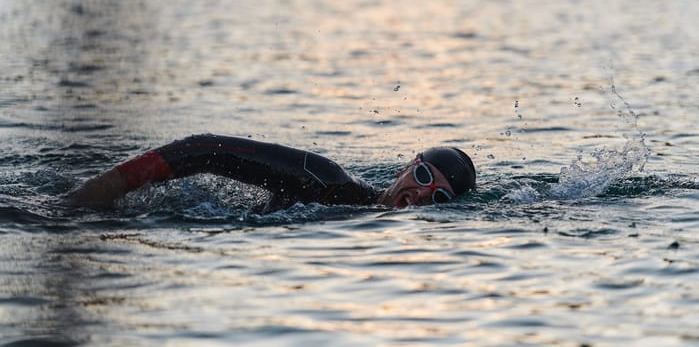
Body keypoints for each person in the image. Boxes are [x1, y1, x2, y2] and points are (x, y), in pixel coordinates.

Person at [65, 134, 476, 213]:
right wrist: (98, 190)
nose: (423, 196)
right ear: (407, 167)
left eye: (438, 198)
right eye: (424, 179)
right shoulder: (325, 182)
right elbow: (206, 150)